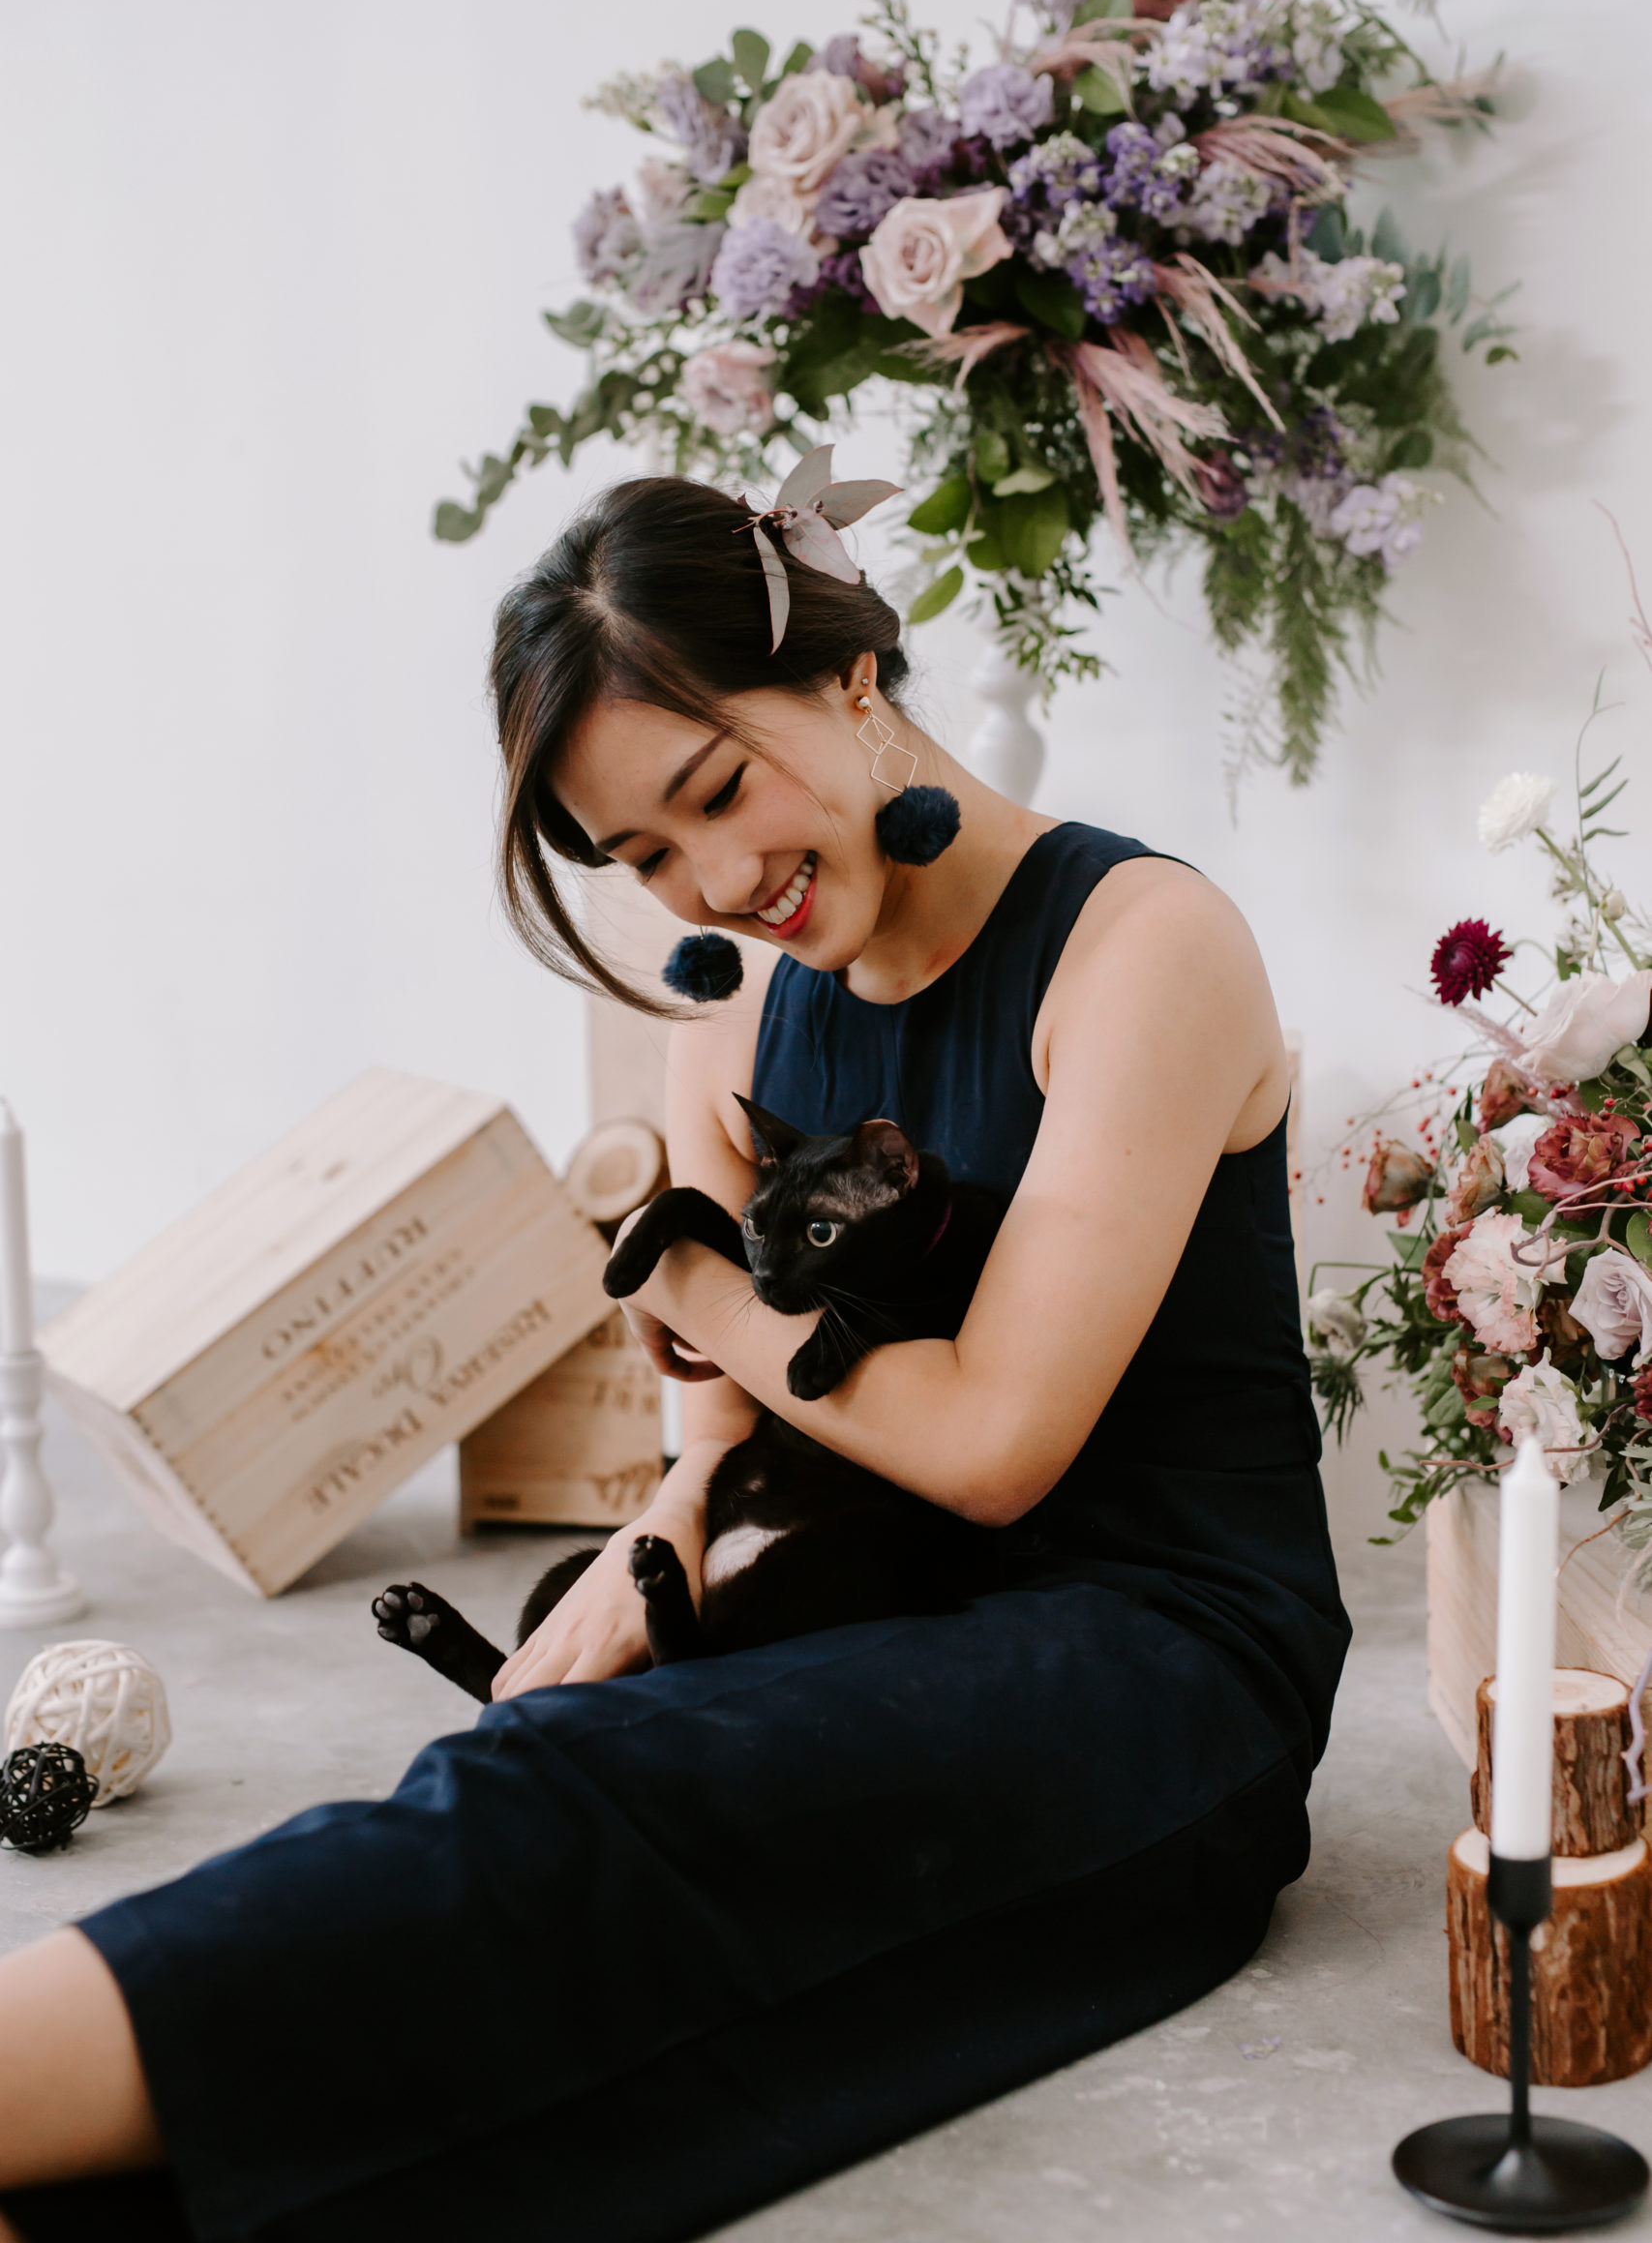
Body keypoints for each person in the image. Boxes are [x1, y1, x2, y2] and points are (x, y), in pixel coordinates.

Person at [0, 473, 1348, 2242]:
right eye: (641, 857)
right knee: (538, 1796)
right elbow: (715, 1437)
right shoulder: (741, 1001)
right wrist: (659, 1539)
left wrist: (695, 1283)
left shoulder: (1144, 946)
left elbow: (993, 1445)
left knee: (587, 1814)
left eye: (716, 792)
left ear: (853, 677)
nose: (715, 883)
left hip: (1156, 1661)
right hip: (868, 1597)